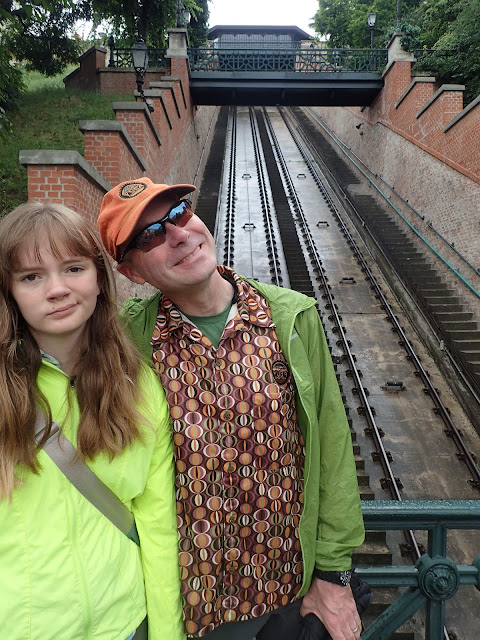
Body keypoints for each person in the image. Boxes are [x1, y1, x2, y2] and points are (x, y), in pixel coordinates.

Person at [97, 177, 365, 640]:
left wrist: (334, 574)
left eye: (179, 213)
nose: (178, 234)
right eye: (150, 235)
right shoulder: (126, 342)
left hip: (290, 595)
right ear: (133, 273)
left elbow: (333, 449)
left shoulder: (292, 317)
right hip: (192, 607)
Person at [0, 202, 185, 640]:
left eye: (73, 268)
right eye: (31, 277)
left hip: (126, 625)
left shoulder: (139, 387)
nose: (57, 289)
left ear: (99, 279)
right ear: (9, 294)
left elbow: (158, 527)